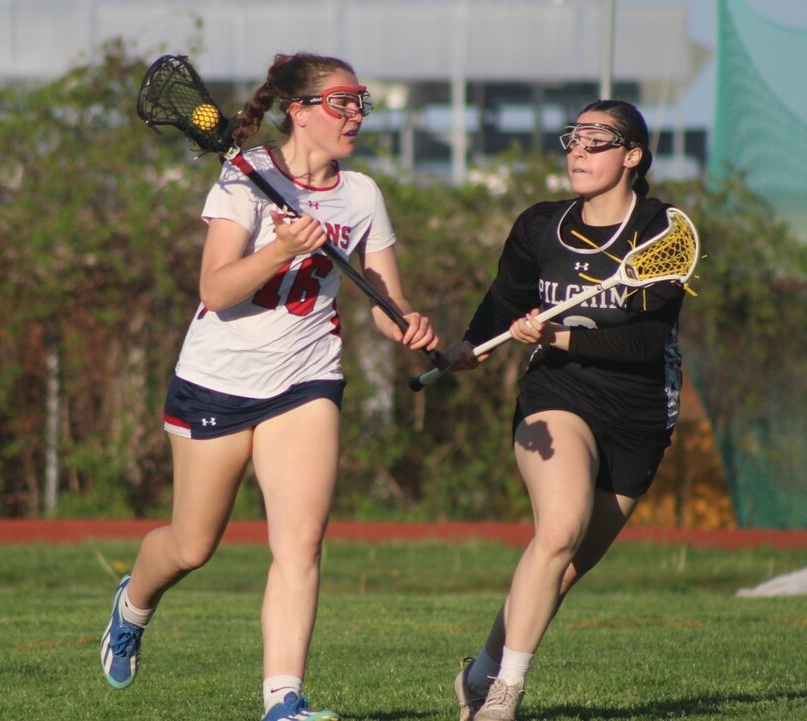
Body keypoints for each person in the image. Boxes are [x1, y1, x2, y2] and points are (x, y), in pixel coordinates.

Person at [99, 52, 438, 721]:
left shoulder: (362, 194)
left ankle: (282, 701)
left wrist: (407, 321)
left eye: (361, 101)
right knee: (192, 545)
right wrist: (282, 249)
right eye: (342, 102)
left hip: (306, 377)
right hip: (217, 382)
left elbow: (384, 297)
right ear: (301, 110)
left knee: (301, 541)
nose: (356, 116)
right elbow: (215, 289)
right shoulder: (243, 178)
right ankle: (133, 602)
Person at [447, 100, 692, 721]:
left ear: (632, 155)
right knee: (557, 531)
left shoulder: (664, 229)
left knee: (564, 567)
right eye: (572, 138)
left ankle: (479, 671)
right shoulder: (538, 225)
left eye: (596, 140)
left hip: (641, 407)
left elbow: (642, 342)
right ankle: (504, 698)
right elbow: (504, 302)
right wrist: (471, 346)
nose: (577, 151)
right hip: (558, 393)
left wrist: (552, 333)